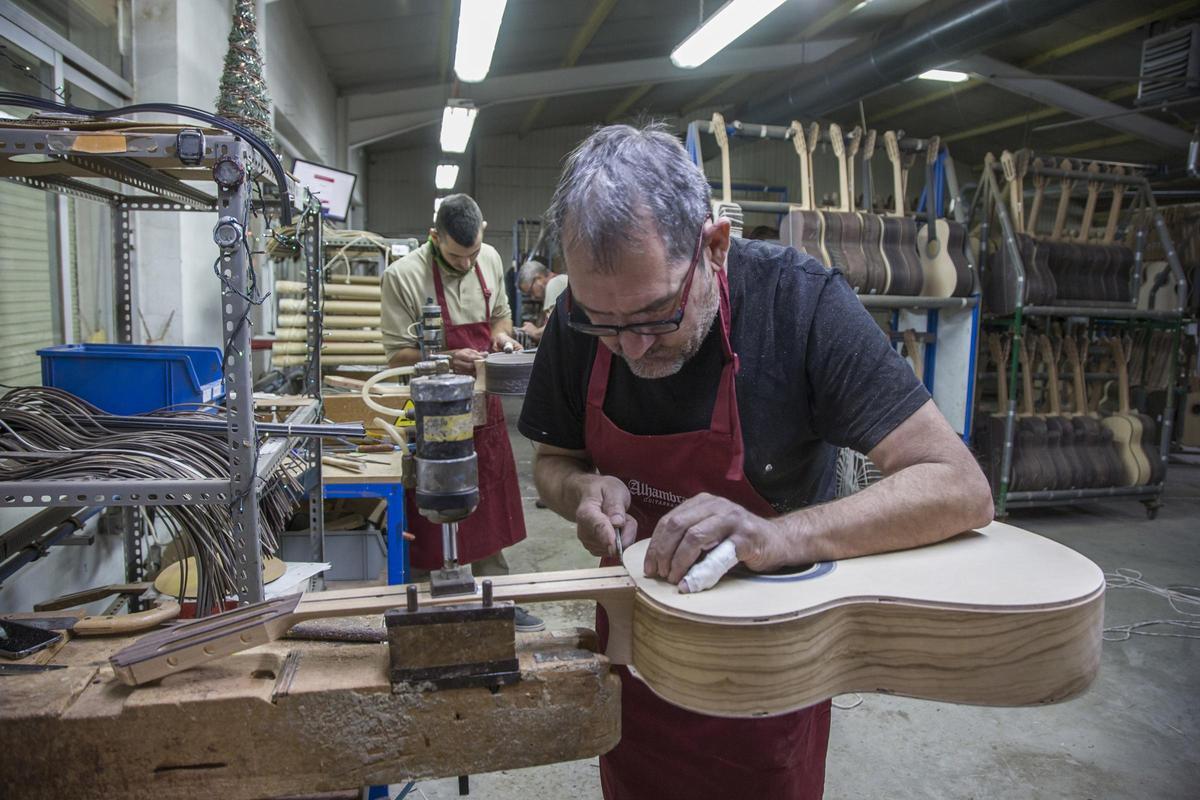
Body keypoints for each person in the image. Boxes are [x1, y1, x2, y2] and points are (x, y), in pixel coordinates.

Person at [518, 124, 993, 798]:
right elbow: (554, 461)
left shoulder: (800, 305)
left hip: (768, 660)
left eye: (656, 315)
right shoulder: (580, 314)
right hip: (637, 637)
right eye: (605, 324)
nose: (628, 348)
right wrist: (581, 492)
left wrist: (776, 536)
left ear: (714, 245)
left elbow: (960, 487)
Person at [381, 193, 544, 632]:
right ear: (435, 238)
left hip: (483, 407)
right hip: (431, 412)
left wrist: (501, 339)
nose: (467, 263)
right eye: (456, 255)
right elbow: (396, 355)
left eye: (472, 254)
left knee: (488, 508)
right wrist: (447, 357)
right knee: (431, 509)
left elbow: (501, 318)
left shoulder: (488, 258)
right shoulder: (403, 276)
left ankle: (497, 602)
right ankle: (429, 608)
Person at [516, 258, 568, 344]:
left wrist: (535, 332)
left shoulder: (554, 283)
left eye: (531, 291)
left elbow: (553, 329)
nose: (532, 297)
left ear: (538, 278)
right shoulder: (560, 282)